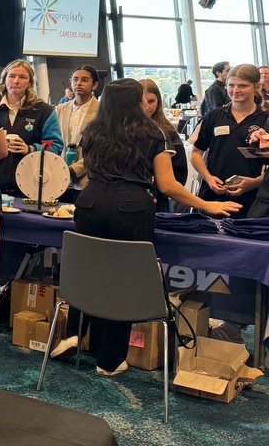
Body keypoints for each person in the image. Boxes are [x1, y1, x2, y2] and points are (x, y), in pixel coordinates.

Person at [56, 79, 241, 375]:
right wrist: (206, 205)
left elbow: (88, 170)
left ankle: (74, 334)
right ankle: (109, 360)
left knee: (89, 270)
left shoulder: (92, 131)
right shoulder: (152, 133)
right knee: (124, 281)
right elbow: (167, 185)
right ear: (135, 101)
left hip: (89, 203)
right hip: (130, 208)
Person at [191, 63, 268, 216]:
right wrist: (208, 178)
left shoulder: (265, 119)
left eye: (243, 86)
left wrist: (255, 182)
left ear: (256, 87)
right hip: (214, 196)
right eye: (231, 85)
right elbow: (195, 153)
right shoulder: (214, 116)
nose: (235, 90)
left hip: (254, 200)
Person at [0, 59, 63, 196]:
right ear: (4, 80)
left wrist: (30, 149)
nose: (16, 81)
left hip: (30, 187)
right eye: (12, 76)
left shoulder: (44, 111)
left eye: (22, 77)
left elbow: (56, 146)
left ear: (30, 83)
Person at [139, 79, 187, 211]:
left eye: (151, 101)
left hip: (158, 202)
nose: (147, 107)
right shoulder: (123, 131)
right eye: (142, 102)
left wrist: (156, 192)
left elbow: (179, 173)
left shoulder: (168, 132)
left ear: (158, 102)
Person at [54, 65, 100, 202]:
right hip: (59, 176)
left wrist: (73, 170)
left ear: (94, 85)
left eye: (84, 80)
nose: (78, 83)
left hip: (88, 177)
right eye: (75, 79)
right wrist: (61, 170)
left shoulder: (102, 111)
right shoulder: (60, 109)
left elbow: (100, 151)